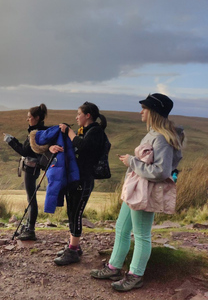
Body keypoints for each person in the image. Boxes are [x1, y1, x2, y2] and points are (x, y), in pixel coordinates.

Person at [90, 93, 183, 291]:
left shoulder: (162, 139)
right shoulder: (153, 134)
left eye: (145, 108)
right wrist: (132, 161)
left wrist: (131, 161)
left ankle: (135, 275)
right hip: (135, 190)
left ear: (154, 112)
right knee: (121, 228)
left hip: (146, 193)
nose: (141, 111)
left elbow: (161, 171)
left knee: (141, 235)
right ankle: (114, 267)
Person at [50, 102, 107, 266]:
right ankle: (73, 246)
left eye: (79, 113)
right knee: (71, 212)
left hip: (84, 180)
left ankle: (73, 251)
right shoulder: (88, 131)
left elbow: (83, 146)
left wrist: (69, 132)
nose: (76, 117)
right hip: (76, 179)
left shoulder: (95, 131)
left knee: (76, 214)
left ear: (87, 115)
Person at [3, 104, 49, 241]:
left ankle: (31, 229)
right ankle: (29, 226)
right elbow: (26, 148)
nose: (27, 119)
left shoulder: (36, 133)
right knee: (31, 197)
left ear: (37, 118)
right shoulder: (38, 131)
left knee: (31, 198)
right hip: (32, 167)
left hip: (31, 167)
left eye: (29, 117)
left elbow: (24, 151)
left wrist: (10, 141)